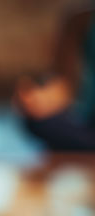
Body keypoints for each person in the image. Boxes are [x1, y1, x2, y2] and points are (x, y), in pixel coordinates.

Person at [15, 5, 95, 151]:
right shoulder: (81, 21)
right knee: (37, 122)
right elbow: (67, 84)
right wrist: (41, 99)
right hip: (89, 121)